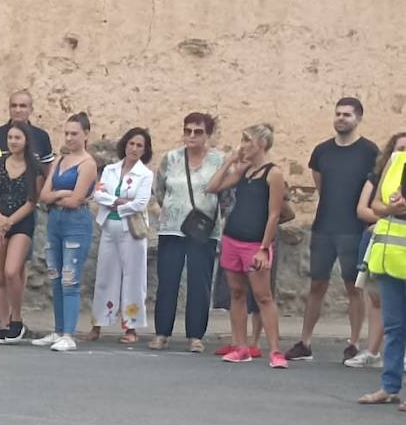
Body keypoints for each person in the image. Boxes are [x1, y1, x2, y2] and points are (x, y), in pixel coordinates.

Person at [287, 98, 379, 362]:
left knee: (353, 287)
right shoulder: (322, 151)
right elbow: (321, 184)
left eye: (347, 115)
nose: (341, 118)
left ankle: (353, 343)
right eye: (338, 114)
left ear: (358, 118)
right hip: (324, 227)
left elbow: (372, 187)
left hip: (353, 228)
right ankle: (304, 342)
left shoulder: (369, 152)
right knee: (317, 284)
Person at [205, 124, 288, 367]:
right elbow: (213, 187)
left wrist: (264, 247)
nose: (242, 145)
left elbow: (274, 214)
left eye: (247, 141)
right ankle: (241, 347)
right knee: (237, 293)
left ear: (261, 144)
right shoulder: (244, 171)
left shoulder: (273, 173)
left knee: (263, 296)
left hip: (255, 243)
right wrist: (229, 161)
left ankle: (275, 351)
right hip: (232, 238)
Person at [149, 112, 225, 353]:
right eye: (188, 130)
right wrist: (168, 210)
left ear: (208, 135)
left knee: (199, 282)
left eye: (198, 131)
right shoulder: (171, 158)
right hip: (172, 228)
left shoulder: (219, 161)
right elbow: (159, 189)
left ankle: (195, 335)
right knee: (168, 281)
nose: (192, 136)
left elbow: (225, 194)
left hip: (203, 230)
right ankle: (162, 333)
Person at [31, 113, 99, 353]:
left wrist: (57, 196)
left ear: (86, 134)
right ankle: (59, 330)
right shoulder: (60, 160)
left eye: (75, 134)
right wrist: (61, 194)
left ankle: (69, 333)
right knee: (55, 276)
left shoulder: (88, 164)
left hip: (76, 224)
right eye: (67, 133)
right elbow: (44, 195)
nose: (69, 138)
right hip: (55, 223)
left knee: (70, 278)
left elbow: (77, 200)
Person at [343, 135, 406, 369]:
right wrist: (391, 209)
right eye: (400, 147)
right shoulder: (391, 167)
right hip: (388, 252)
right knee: (388, 317)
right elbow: (371, 206)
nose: (402, 151)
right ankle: (386, 380)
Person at [87, 127, 154, 343]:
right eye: (131, 144)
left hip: (132, 231)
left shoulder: (145, 174)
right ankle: (98, 324)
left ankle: (130, 327)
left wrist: (120, 206)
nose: (134, 149)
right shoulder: (110, 170)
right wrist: (117, 202)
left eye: (139, 146)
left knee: (133, 277)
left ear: (145, 150)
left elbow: (140, 203)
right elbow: (98, 193)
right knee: (105, 275)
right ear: (125, 144)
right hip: (109, 227)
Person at [0, 122, 44, 343]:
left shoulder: (34, 167)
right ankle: (3, 323)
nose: (12, 141)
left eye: (17, 138)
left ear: (26, 141)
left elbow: (32, 201)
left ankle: (16, 319)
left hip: (21, 224)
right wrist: (0, 220)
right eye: (10, 137)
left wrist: (9, 222)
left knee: (12, 271)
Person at [360, 138, 406, 407]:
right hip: (390, 260)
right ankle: (389, 387)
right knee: (394, 328)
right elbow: (375, 204)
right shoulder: (394, 163)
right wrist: (391, 209)